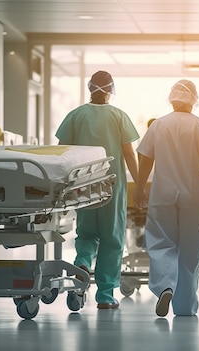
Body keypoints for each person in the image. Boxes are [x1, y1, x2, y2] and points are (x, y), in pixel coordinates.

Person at [134, 79, 199, 317]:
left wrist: (139, 187)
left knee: (162, 242)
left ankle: (165, 285)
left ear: (172, 98)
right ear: (194, 99)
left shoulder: (159, 125)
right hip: (194, 193)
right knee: (190, 247)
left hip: (163, 191)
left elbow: (146, 159)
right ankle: (184, 306)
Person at [55, 70, 139, 309]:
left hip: (83, 186)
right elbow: (128, 154)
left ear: (89, 88)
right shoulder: (118, 116)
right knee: (112, 239)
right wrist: (140, 184)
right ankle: (104, 294)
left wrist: (64, 184)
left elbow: (63, 153)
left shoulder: (76, 115)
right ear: (111, 90)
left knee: (87, 233)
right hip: (112, 186)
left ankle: (82, 263)